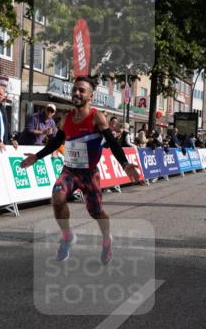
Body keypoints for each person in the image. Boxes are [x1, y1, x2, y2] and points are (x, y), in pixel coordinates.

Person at [20, 76, 141, 264]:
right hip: (70, 170)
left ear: (90, 96)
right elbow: (55, 143)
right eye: (75, 89)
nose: (76, 93)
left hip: (89, 174)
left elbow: (111, 142)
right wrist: (36, 157)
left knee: (96, 212)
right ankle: (67, 236)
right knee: (58, 197)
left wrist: (125, 164)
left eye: (82, 90)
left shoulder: (96, 117)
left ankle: (107, 239)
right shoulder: (65, 119)